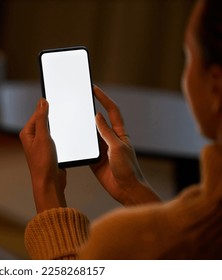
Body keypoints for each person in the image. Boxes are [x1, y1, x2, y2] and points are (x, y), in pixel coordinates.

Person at [19, 0, 221, 259]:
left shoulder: (120, 241)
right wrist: (132, 188)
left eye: (189, 56)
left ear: (216, 87)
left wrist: (46, 188)